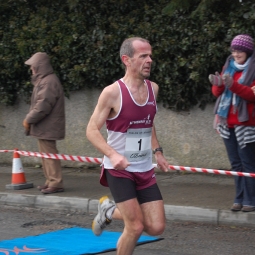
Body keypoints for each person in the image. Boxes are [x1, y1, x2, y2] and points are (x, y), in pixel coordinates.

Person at [86, 37, 169, 254]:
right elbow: (91, 130)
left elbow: (148, 123)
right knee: (136, 226)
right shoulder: (112, 93)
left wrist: (158, 152)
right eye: (143, 56)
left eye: (150, 55)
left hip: (144, 169)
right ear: (127, 60)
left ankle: (108, 210)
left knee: (157, 226)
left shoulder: (153, 89)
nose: (149, 60)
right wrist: (112, 155)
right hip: (120, 170)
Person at [208, 34, 255, 212]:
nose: (236, 54)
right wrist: (218, 83)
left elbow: (252, 95)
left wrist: (232, 84)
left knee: (248, 164)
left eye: (240, 51)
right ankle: (239, 198)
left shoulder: (253, 68)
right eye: (234, 50)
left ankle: (251, 200)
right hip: (227, 122)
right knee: (235, 164)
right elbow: (216, 93)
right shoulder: (228, 65)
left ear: (248, 51)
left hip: (247, 124)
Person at [23, 52, 65, 194]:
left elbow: (43, 106)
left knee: (49, 155)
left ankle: (55, 182)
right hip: (45, 126)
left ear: (39, 66)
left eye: (32, 66)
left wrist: (28, 119)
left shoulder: (48, 81)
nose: (31, 69)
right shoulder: (46, 80)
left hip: (48, 126)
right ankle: (50, 181)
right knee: (46, 155)